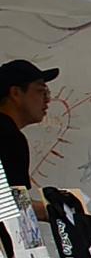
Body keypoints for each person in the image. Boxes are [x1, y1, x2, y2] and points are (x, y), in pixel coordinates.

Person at [0, 60, 58, 229]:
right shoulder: (9, 137)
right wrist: (59, 211)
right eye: (41, 91)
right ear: (16, 93)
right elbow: (14, 205)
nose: (47, 100)